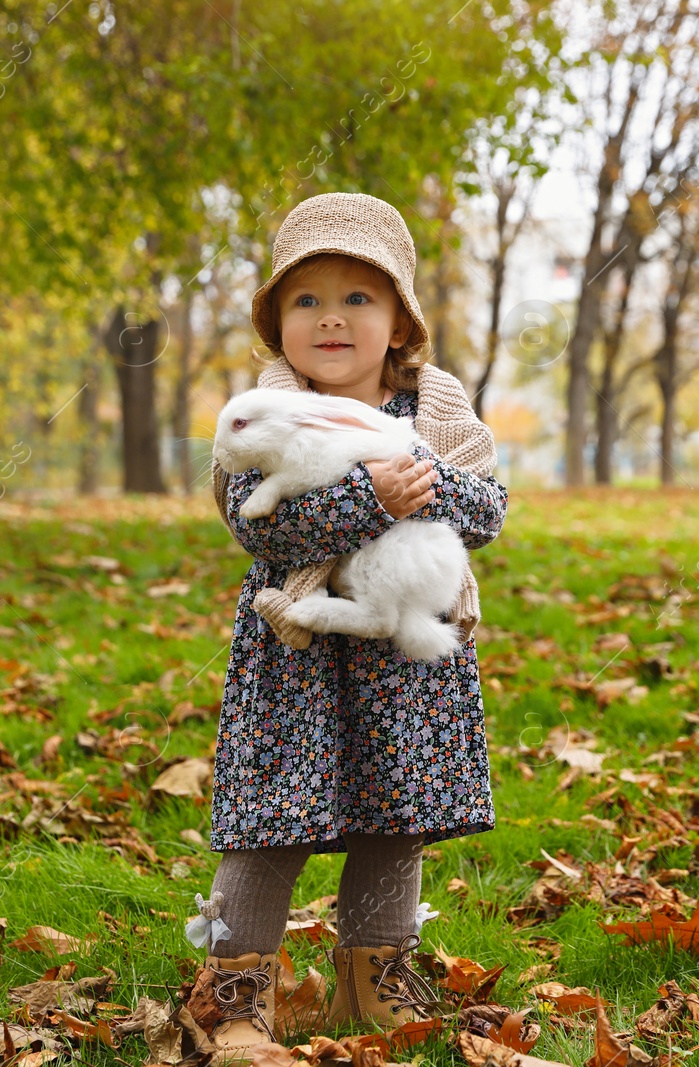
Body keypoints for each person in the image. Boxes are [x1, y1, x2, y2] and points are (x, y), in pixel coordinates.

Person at [188, 192, 508, 1061]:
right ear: (277, 323)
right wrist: (369, 497)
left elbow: (488, 506)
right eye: (307, 300)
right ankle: (236, 986)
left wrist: (426, 483)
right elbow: (261, 526)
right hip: (298, 660)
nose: (332, 318)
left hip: (404, 660)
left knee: (392, 815)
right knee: (273, 818)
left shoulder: (434, 412)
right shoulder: (265, 411)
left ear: (400, 319)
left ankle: (377, 975)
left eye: (357, 298)